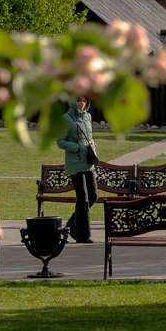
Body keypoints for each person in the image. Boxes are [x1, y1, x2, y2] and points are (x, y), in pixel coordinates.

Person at [58, 97, 97, 243]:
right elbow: (60, 141)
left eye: (85, 101)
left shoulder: (87, 116)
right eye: (79, 101)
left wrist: (92, 147)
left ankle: (70, 226)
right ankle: (83, 236)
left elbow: (90, 137)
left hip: (88, 162)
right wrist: (77, 148)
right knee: (83, 198)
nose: (82, 104)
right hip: (75, 164)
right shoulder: (66, 119)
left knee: (93, 195)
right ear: (73, 102)